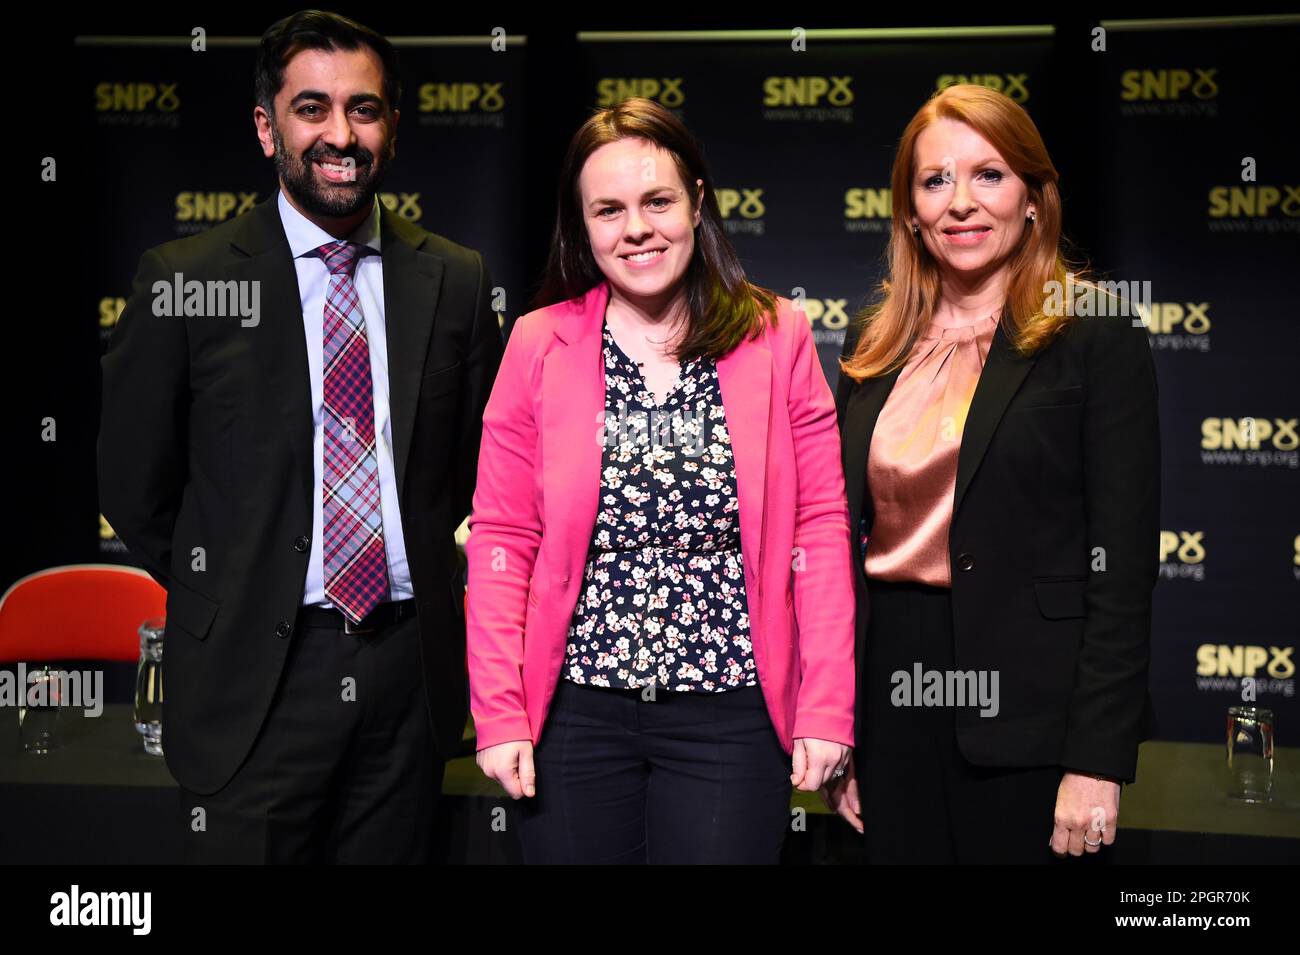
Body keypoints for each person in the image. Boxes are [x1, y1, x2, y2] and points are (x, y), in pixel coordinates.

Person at [97, 10, 502, 863]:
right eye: (311, 108)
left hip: (406, 678)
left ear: (392, 126)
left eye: (364, 109)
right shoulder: (186, 280)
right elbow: (134, 482)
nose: (339, 134)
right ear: (266, 125)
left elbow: (476, 469)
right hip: (253, 681)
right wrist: (236, 582)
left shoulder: (456, 278)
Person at [465, 97, 854, 864]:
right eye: (608, 209)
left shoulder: (779, 336)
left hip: (733, 713)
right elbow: (503, 537)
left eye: (657, 201)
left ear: (698, 201)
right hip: (575, 713)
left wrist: (828, 705)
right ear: (582, 225)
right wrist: (501, 713)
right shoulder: (538, 343)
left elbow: (822, 528)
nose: (636, 228)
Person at [821, 84, 1159, 863]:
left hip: (1032, 710)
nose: (960, 203)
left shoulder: (1096, 334)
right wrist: (842, 729)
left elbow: (1123, 570)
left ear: (1035, 198)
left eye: (989, 175)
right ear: (909, 210)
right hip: (891, 694)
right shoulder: (874, 340)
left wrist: (1097, 760)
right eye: (935, 181)